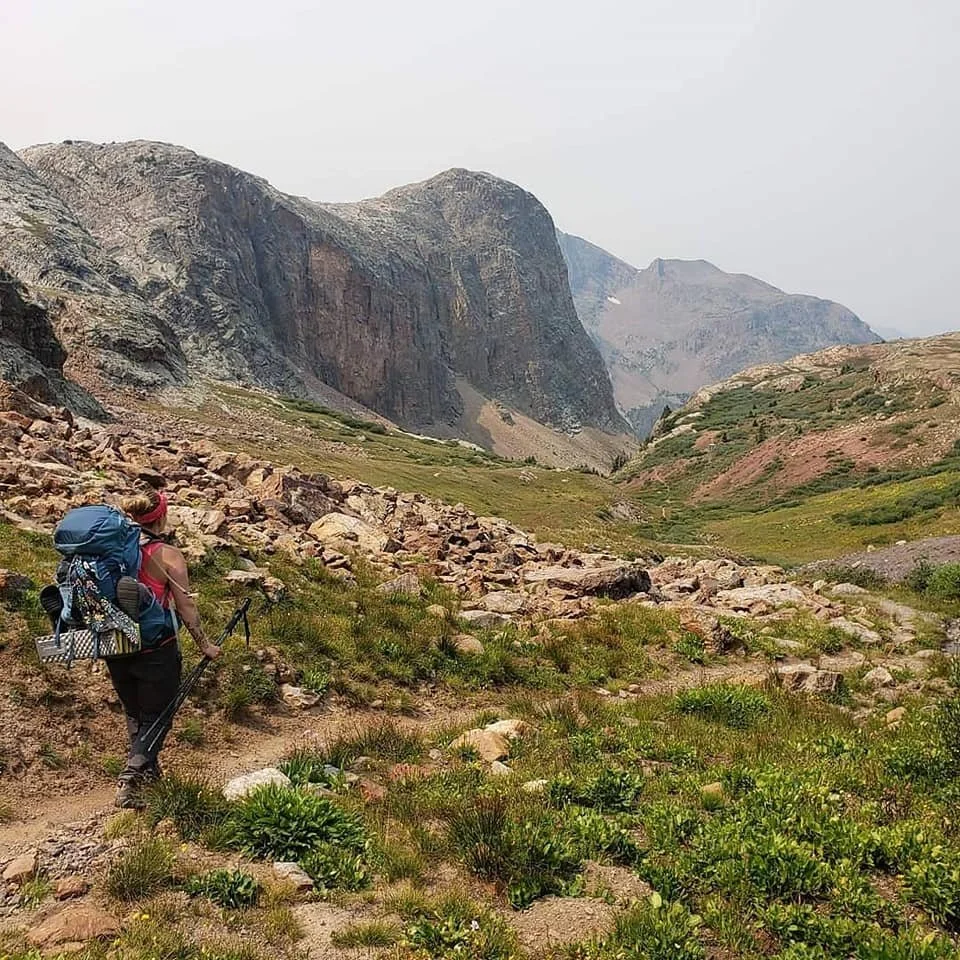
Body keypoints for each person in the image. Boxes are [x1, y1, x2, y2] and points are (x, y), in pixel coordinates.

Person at [110, 487, 220, 808]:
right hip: (155, 645)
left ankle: (149, 776)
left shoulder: (113, 549)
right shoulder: (168, 555)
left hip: (115, 641)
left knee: (136, 712)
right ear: (161, 517)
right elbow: (186, 608)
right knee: (158, 714)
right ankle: (131, 780)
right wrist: (205, 645)